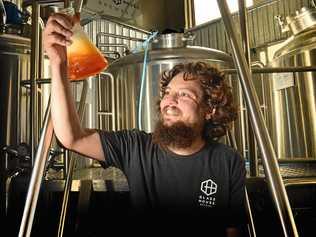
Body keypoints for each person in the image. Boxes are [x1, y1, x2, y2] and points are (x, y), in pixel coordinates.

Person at [43, 13, 247, 237]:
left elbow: (232, 230)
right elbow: (71, 137)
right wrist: (58, 63)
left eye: (185, 95)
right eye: (168, 93)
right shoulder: (136, 147)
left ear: (210, 110)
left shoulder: (227, 161)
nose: (169, 101)